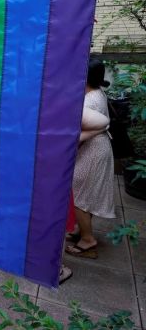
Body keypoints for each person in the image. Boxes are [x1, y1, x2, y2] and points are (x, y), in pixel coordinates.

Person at [66, 59, 115, 259]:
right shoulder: (97, 92)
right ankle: (80, 229)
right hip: (98, 148)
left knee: (78, 197)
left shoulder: (88, 100)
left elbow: (78, 131)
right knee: (84, 194)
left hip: (93, 151)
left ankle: (88, 239)